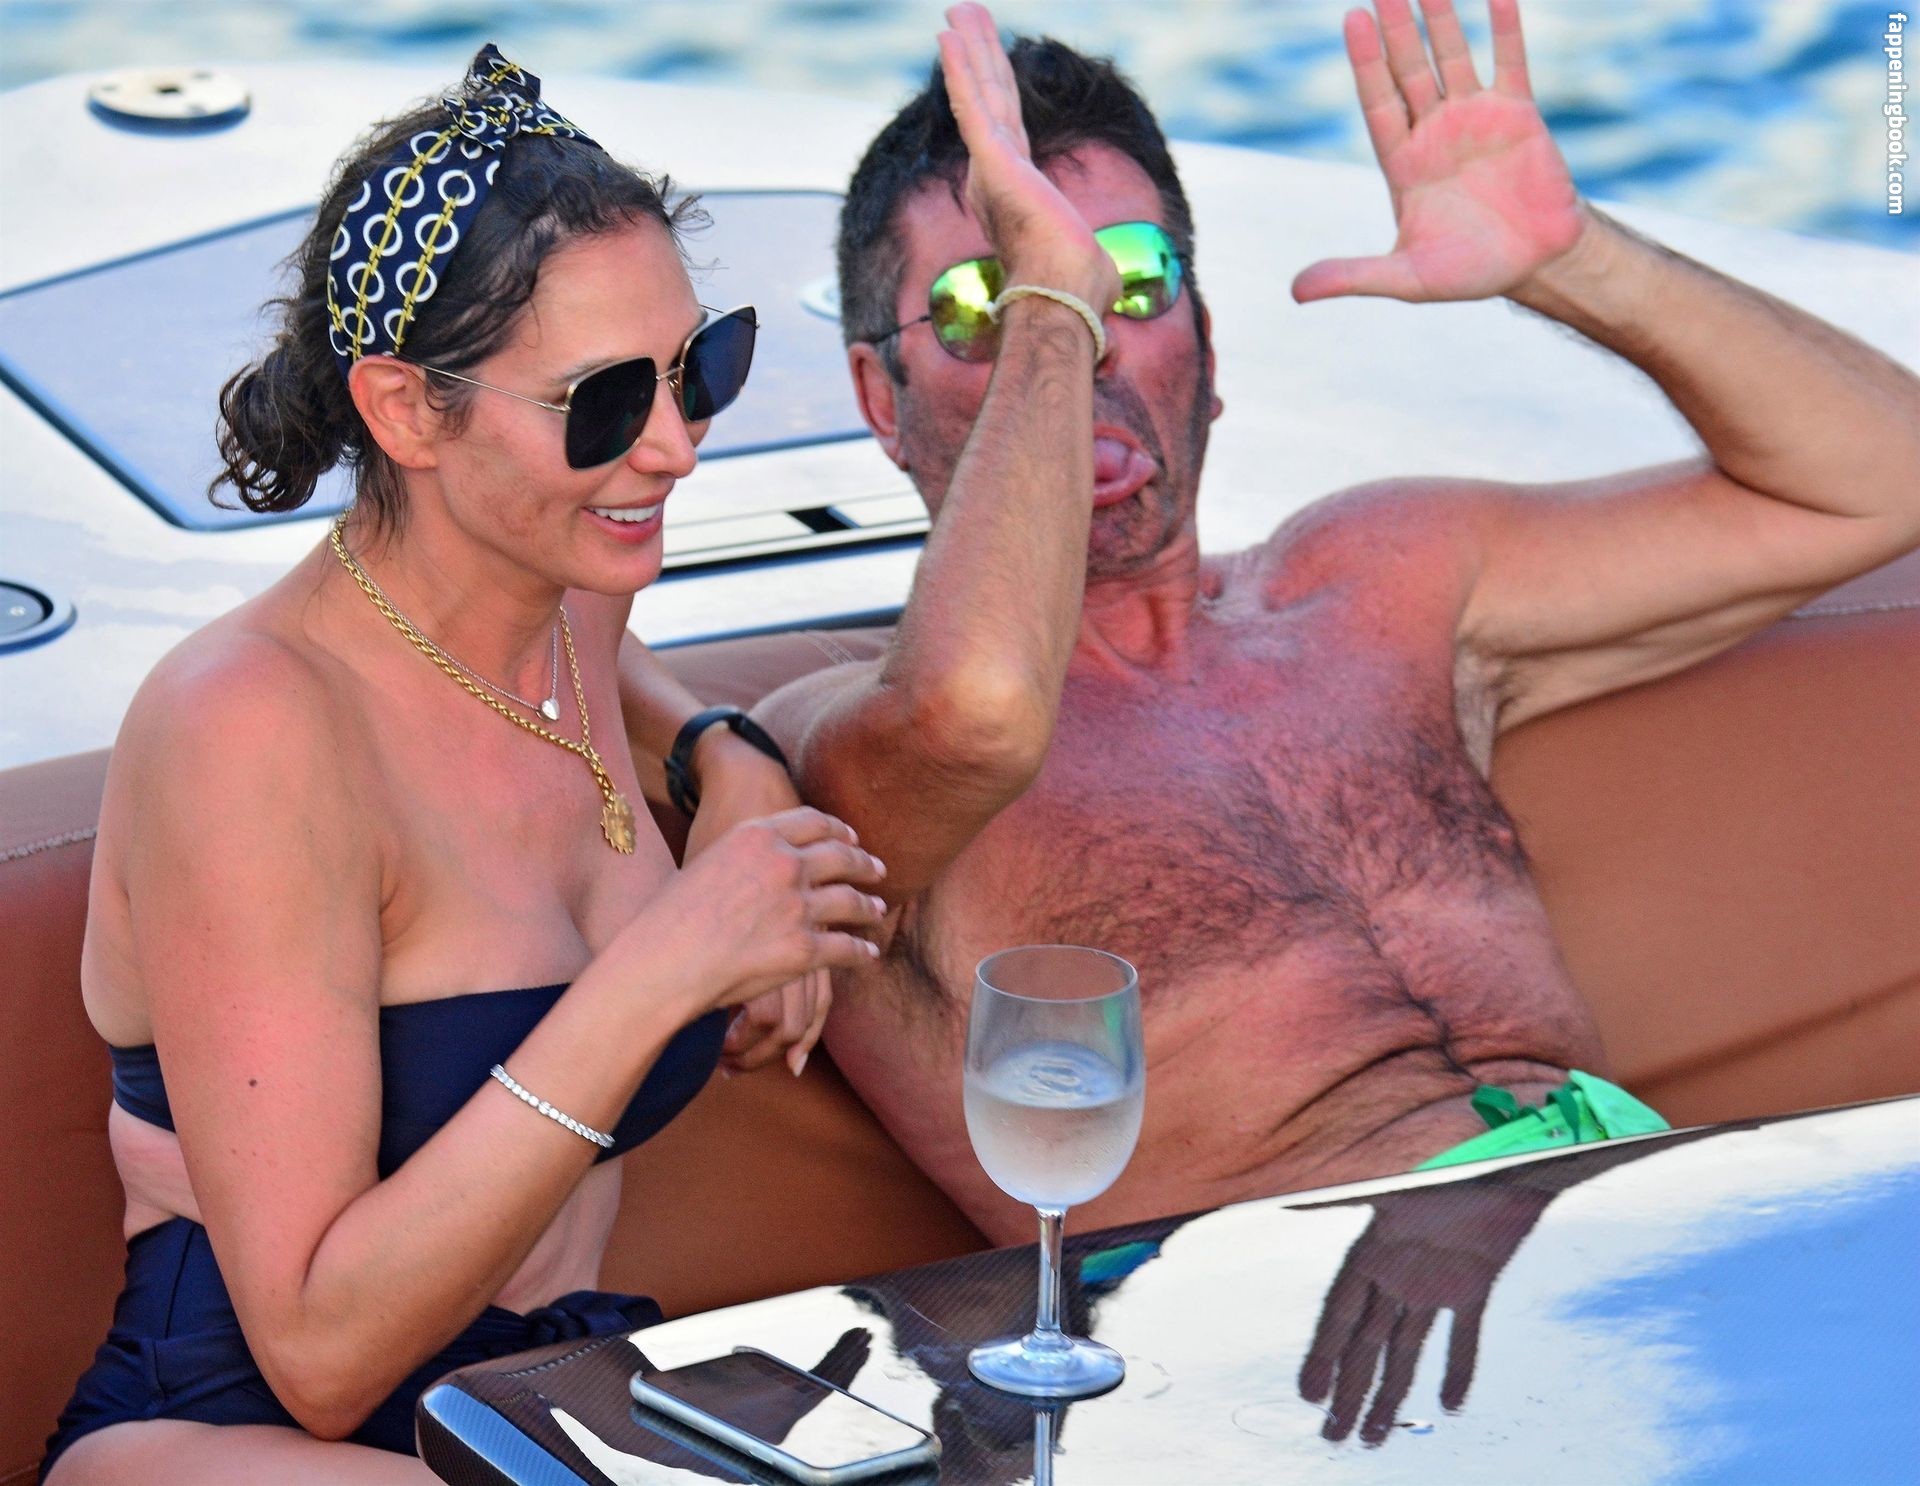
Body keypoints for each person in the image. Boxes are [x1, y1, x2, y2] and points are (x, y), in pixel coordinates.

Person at [653, 0, 1920, 1247]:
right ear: (880, 397)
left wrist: (1575, 260)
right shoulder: (838, 741)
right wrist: (1059, 315)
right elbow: (977, 708)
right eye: (991, 301)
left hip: (1644, 1228)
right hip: (1293, 1333)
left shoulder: (1375, 583)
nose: (1093, 342)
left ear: (1207, 344)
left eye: (1133, 278)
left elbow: (1883, 478)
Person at [41, 44, 912, 1485]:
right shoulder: (247, 734)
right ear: (404, 410)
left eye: (701, 368)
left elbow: (591, 678)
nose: (676, 447)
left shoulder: (570, 596)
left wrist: (729, 752)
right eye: (605, 400)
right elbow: (319, 1355)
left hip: (542, 1402)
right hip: (243, 1432)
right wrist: (670, 963)